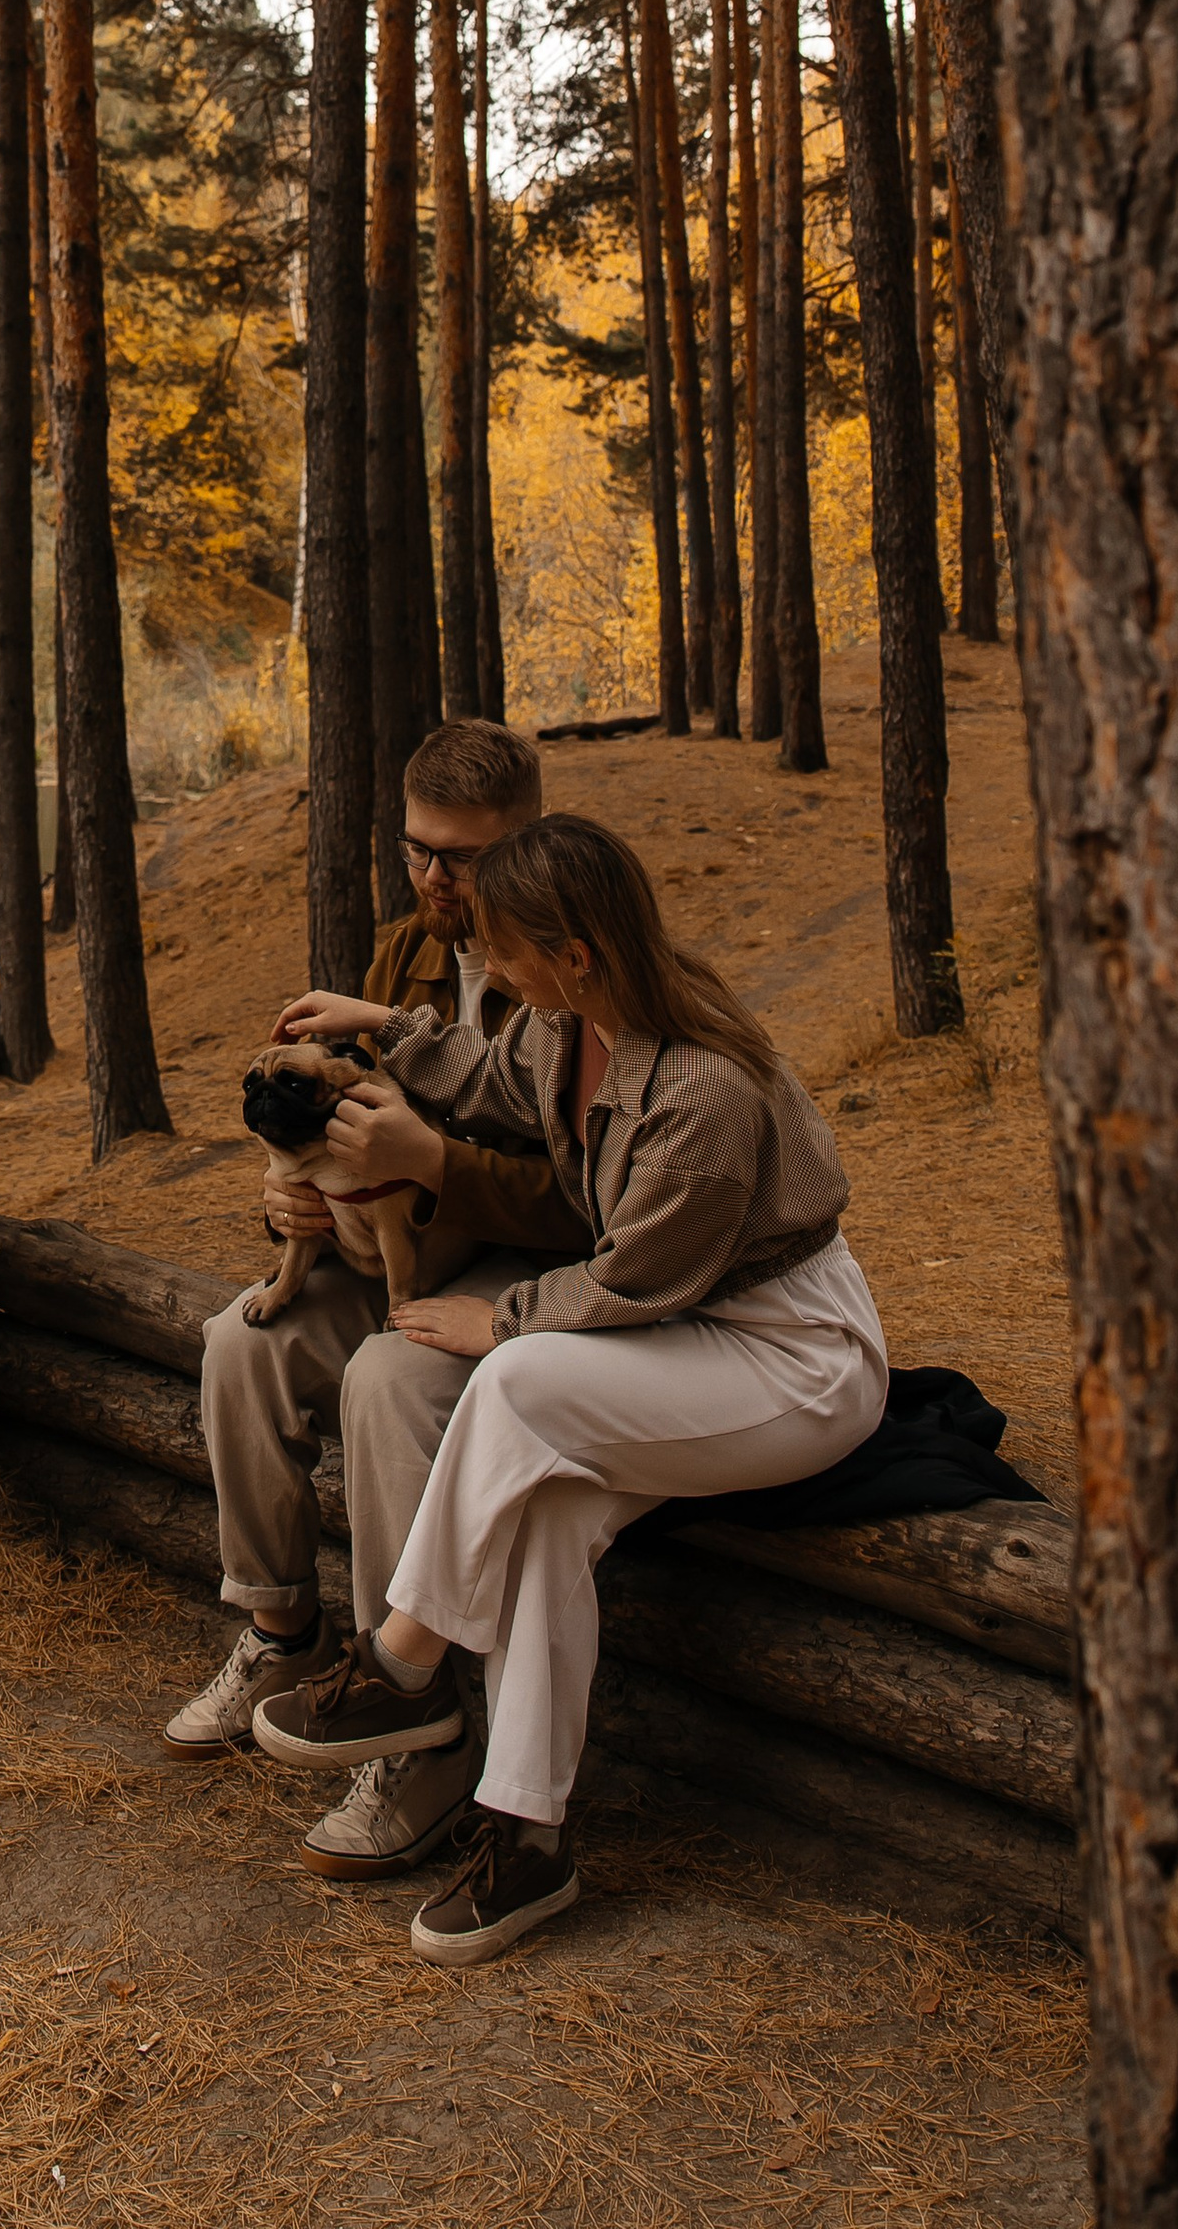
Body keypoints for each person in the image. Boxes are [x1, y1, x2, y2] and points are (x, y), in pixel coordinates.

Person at [244, 811, 886, 1968]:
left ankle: (401, 1661)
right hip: (680, 1332)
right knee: (541, 1510)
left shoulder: (702, 1093)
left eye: (507, 947)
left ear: (575, 953)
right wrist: (385, 1023)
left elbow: (636, 1278)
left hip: (788, 1356)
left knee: (519, 1376)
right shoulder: (569, 1019)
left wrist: (499, 1319)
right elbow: (492, 1079)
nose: (492, 967)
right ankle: (528, 1839)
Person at [160, 718, 591, 1889]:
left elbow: (588, 1201)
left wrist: (436, 1161)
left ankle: (421, 1714)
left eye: (465, 857)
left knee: (389, 1379)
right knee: (236, 1348)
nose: (439, 880)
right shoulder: (402, 955)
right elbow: (332, 1121)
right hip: (396, 1253)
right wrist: (288, 1199)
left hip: (511, 1262)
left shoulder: (573, 970)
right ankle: (279, 1629)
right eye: (419, 852)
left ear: (530, 844)